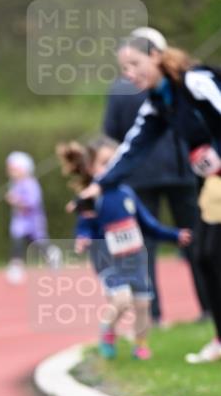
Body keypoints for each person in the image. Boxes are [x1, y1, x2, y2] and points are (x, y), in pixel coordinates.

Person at [81, 33, 221, 364]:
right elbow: (133, 147)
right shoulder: (159, 102)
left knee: (211, 253)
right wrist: (100, 185)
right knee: (204, 255)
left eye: (135, 64)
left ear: (156, 55)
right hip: (214, 183)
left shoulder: (195, 82)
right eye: (124, 68)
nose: (129, 74)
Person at [103, 27, 209, 326]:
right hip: (176, 171)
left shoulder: (176, 85)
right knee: (194, 238)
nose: (132, 73)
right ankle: (207, 307)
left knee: (151, 244)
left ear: (155, 56)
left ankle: (153, 313)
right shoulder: (155, 90)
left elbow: (113, 132)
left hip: (148, 175)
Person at [58, 137, 191, 360]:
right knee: (121, 299)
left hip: (134, 258)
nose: (111, 168)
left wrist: (174, 235)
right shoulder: (91, 197)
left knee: (143, 304)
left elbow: (148, 224)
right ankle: (107, 330)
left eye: (115, 162)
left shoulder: (127, 193)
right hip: (108, 260)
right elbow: (84, 226)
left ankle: (140, 344)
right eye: (105, 163)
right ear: (90, 168)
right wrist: (83, 239)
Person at [4, 151, 50, 284]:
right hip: (20, 221)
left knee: (38, 243)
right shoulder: (14, 184)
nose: (11, 172)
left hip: (33, 220)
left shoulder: (31, 183)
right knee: (17, 242)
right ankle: (16, 266)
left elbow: (33, 202)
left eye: (14, 169)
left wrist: (17, 201)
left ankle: (51, 256)